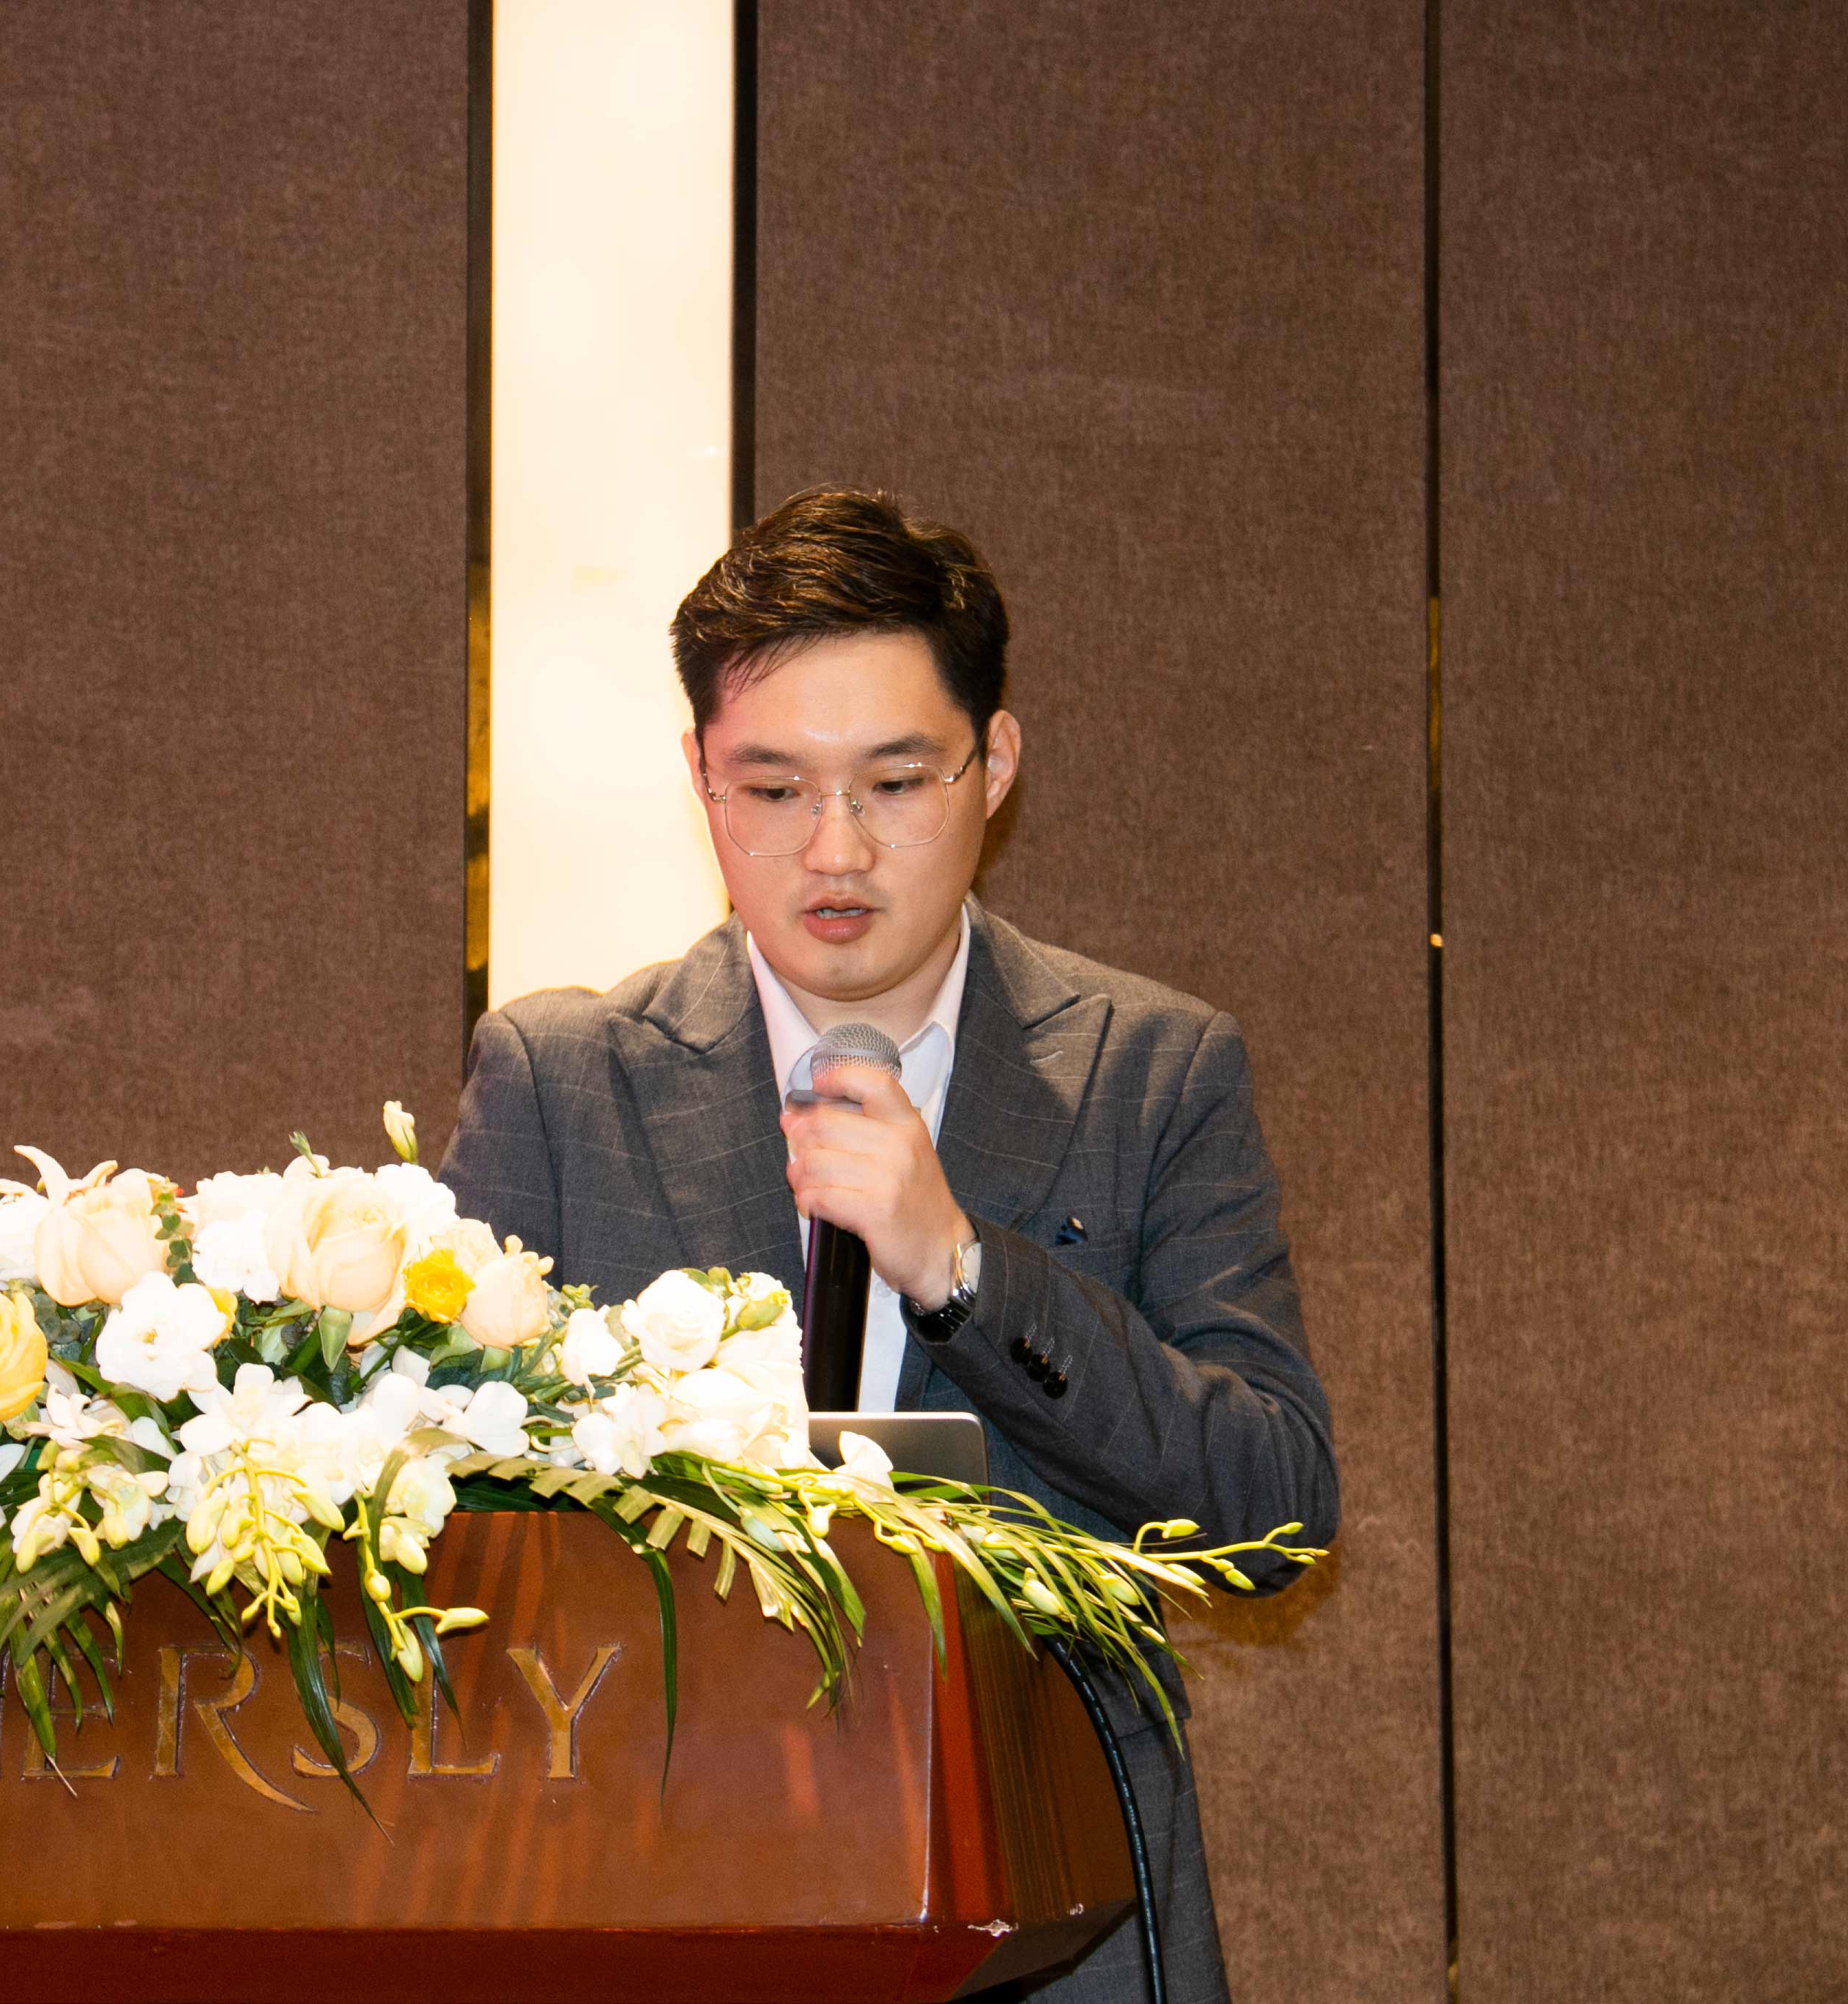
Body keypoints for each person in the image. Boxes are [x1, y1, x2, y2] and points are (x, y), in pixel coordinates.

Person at [438, 486, 1338, 2002]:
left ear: (996, 764)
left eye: (895, 782)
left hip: (1052, 1908)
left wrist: (965, 1272)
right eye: (773, 789)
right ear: (700, 778)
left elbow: (1274, 1510)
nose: (835, 850)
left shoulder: (1150, 1071)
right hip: (652, 1900)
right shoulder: (563, 1081)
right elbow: (443, 1540)